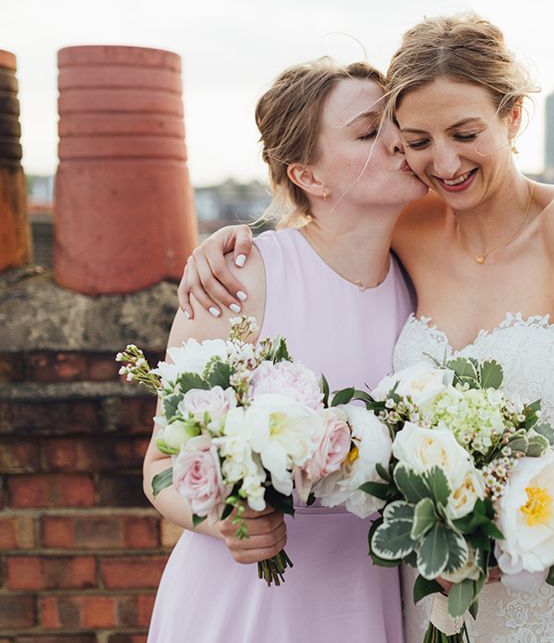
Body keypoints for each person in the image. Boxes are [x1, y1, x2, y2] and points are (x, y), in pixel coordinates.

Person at [179, 14, 554, 642]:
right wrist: (228, 247)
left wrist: (536, 543)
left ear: (514, 117)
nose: (444, 162)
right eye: (416, 140)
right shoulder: (409, 229)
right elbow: (324, 227)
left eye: (466, 133)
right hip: (435, 600)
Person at [144, 59, 428, 643]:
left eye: (397, 121)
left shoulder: (421, 281)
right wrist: (224, 520)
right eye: (369, 130)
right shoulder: (240, 277)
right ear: (310, 177)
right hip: (245, 604)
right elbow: (159, 468)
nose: (401, 141)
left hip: (366, 599)